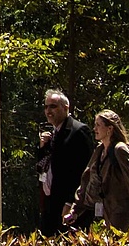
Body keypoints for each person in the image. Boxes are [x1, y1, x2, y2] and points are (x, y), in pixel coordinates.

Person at [66, 109, 129, 232]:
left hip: (121, 212)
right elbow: (86, 178)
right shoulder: (99, 150)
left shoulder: (120, 149)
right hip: (104, 211)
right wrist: (75, 210)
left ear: (110, 129)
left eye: (98, 125)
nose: (94, 129)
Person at [31, 90, 91, 237]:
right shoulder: (52, 134)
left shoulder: (78, 131)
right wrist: (42, 147)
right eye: (46, 107)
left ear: (66, 108)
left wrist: (71, 203)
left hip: (68, 205)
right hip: (49, 201)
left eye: (53, 106)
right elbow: (41, 167)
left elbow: (84, 172)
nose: (48, 111)